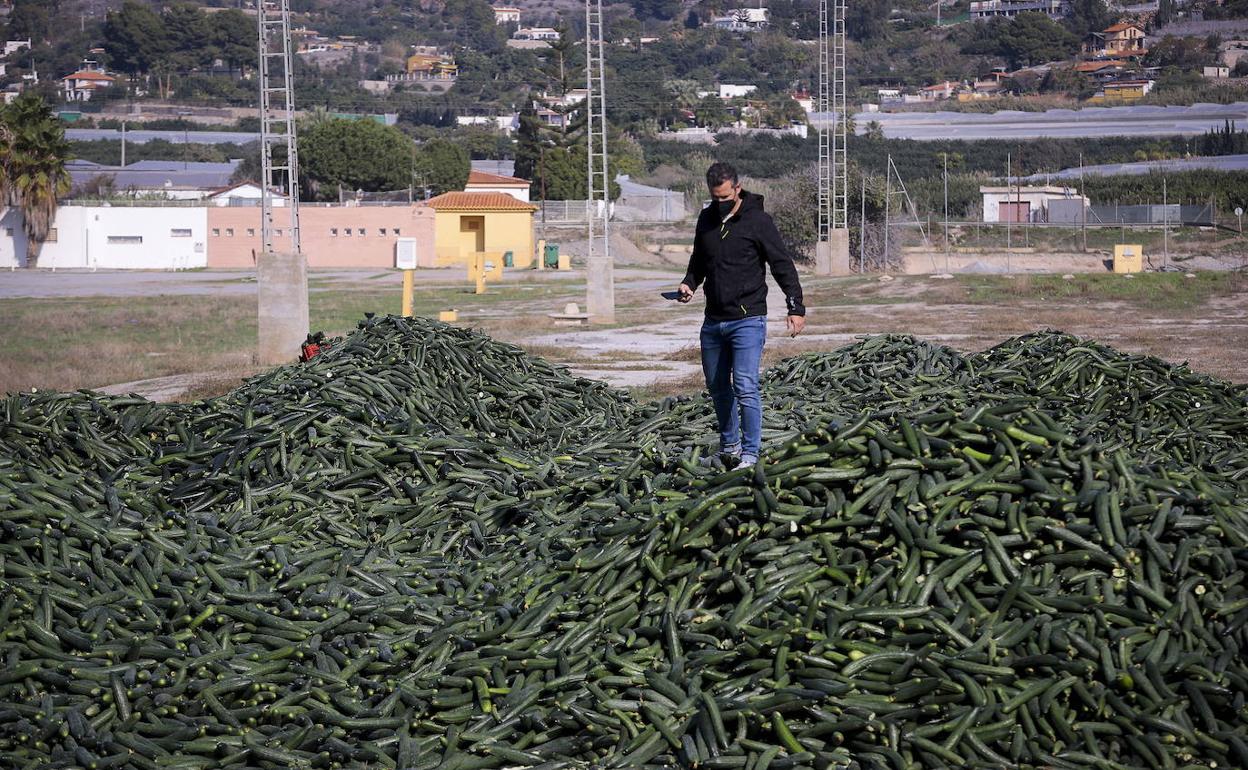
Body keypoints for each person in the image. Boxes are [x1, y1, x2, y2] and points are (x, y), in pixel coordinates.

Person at [677, 162, 806, 470]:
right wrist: (689, 283)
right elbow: (699, 260)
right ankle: (729, 447)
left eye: (725, 197)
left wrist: (796, 307)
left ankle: (750, 454)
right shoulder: (707, 219)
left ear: (737, 188)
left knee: (745, 385)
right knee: (717, 386)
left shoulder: (758, 221)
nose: (720, 203)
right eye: (715, 198)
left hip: (747, 319)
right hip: (713, 321)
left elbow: (781, 265)